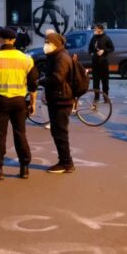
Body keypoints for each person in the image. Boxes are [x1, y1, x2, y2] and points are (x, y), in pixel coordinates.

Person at [0, 27, 38, 180]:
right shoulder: (26, 59)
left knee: (0, 135)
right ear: (14, 40)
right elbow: (32, 85)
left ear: (1, 39)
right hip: (19, 102)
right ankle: (24, 168)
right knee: (20, 134)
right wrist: (33, 103)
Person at [40, 32, 75, 173]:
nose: (45, 45)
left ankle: (66, 163)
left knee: (60, 132)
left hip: (62, 99)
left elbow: (57, 78)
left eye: (48, 43)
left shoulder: (61, 57)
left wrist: (41, 81)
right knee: (57, 132)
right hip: (58, 98)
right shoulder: (55, 56)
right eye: (45, 42)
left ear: (56, 44)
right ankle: (64, 161)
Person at [88, 24, 114, 101]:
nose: (94, 30)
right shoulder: (93, 38)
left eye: (96, 29)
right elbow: (90, 49)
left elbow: (112, 48)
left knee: (105, 81)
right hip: (95, 63)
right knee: (95, 82)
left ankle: (106, 97)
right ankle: (96, 97)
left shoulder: (106, 38)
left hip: (103, 63)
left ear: (100, 30)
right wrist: (92, 53)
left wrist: (104, 51)